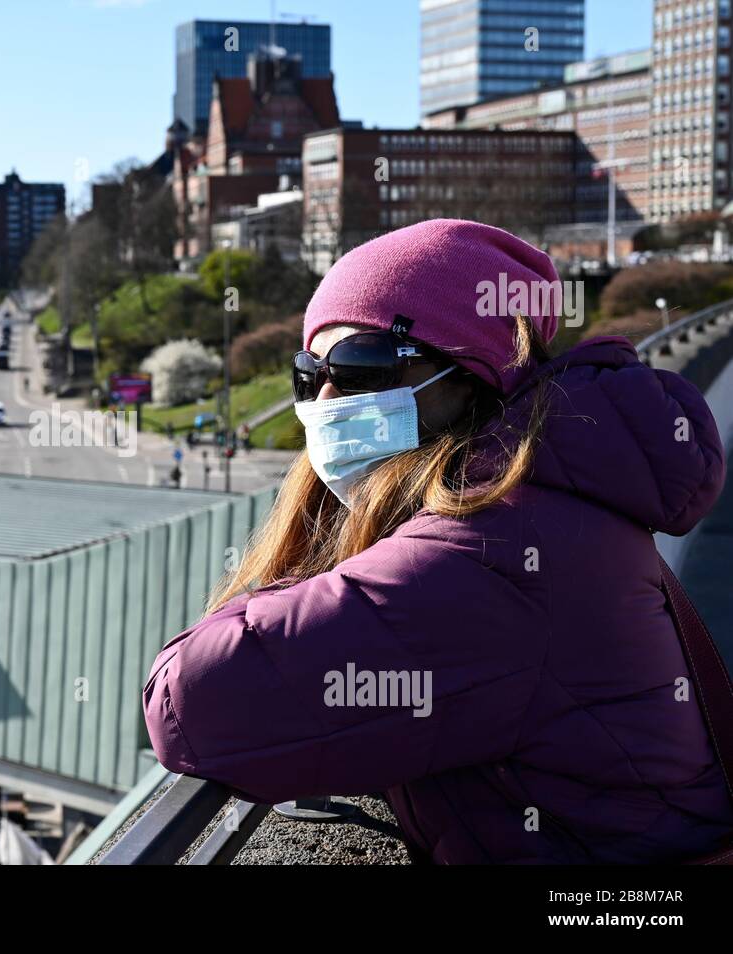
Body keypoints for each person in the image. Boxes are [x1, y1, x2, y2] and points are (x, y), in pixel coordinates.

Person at [142, 219, 733, 865]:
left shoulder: (492, 552)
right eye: (311, 374)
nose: (329, 400)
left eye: (364, 365)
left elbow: (192, 705)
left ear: (474, 376)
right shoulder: (550, 499)